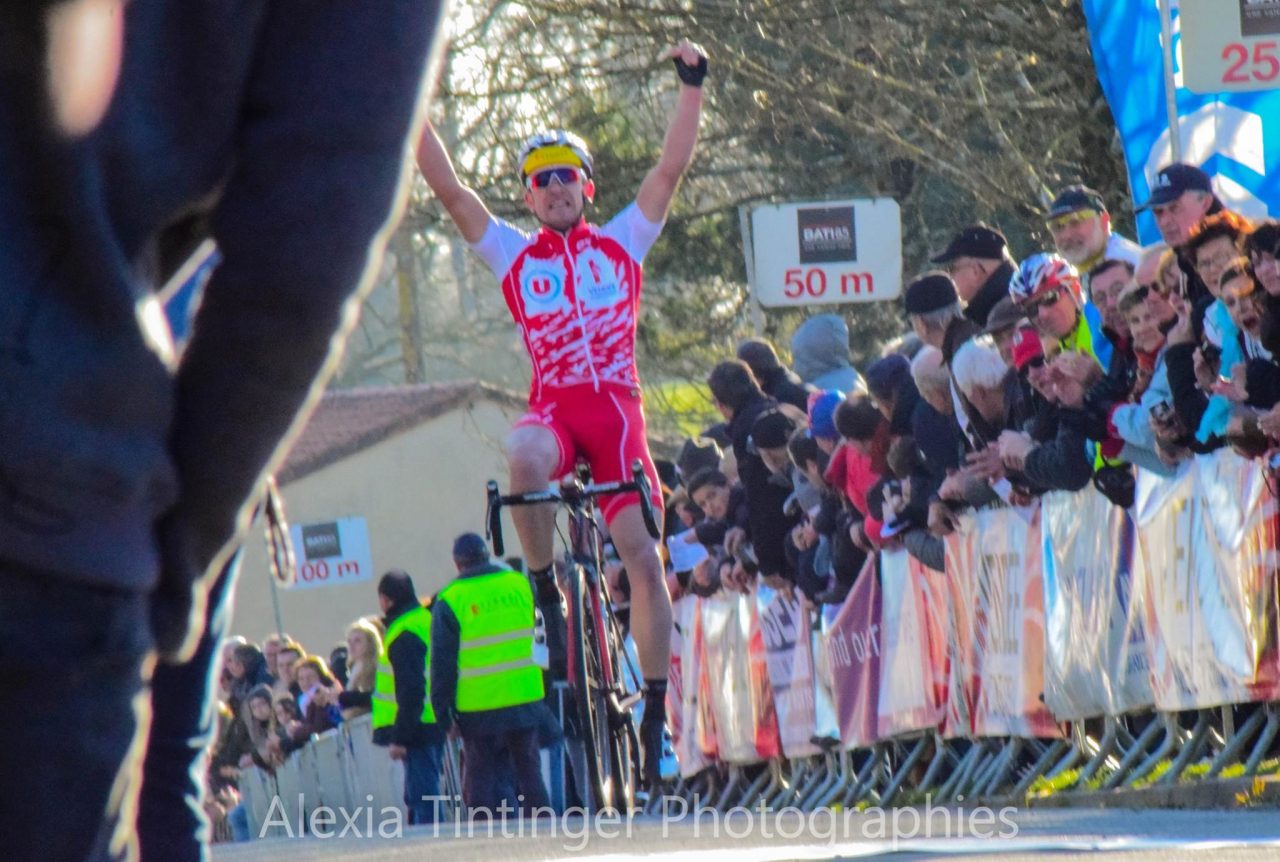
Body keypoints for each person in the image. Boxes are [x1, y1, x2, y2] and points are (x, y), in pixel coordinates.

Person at [0, 3, 442, 860]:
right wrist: (167, 554)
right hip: (58, 485)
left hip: (65, 475)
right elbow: (305, 248)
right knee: (172, 769)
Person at [415, 39, 707, 783]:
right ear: (527, 196)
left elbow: (669, 169)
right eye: (540, 181)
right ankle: (546, 587)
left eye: (566, 177)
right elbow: (449, 190)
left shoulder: (622, 243)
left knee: (643, 561)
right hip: (555, 410)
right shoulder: (517, 257)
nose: (555, 189)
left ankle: (653, 713)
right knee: (521, 459)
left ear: (586, 185)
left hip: (619, 419)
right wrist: (407, 95)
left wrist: (691, 86)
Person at [431, 534, 551, 816]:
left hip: (479, 704)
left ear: (457, 564)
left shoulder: (450, 599)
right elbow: (542, 636)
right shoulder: (520, 584)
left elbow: (442, 664)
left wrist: (443, 714)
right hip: (524, 694)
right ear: (486, 556)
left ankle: (482, 841)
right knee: (530, 774)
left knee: (480, 777)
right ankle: (548, 830)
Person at [372, 570, 445, 825]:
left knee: (423, 799)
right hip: (432, 718)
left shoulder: (403, 631)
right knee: (423, 795)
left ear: (385, 600)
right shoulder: (424, 620)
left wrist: (400, 737)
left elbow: (410, 689)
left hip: (417, 727)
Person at [1044, 185, 1141, 284]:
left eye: (1076, 222)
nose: (1066, 235)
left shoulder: (1126, 267)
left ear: (1104, 220)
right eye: (1057, 227)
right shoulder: (1087, 269)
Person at [929, 224, 1017, 328]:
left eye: (951, 269)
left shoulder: (1000, 316)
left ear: (975, 272)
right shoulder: (1018, 300)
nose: (949, 277)